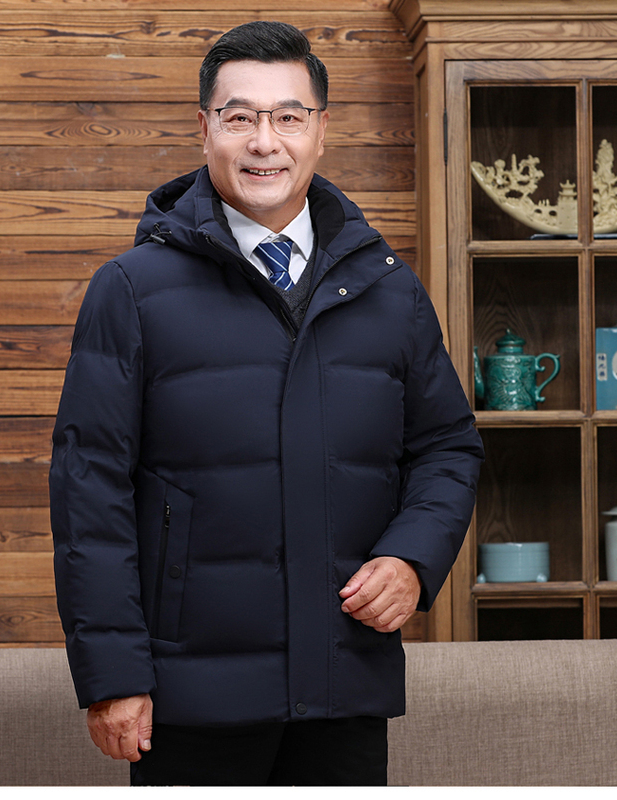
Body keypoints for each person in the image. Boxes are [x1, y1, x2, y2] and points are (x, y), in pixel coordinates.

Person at [50, 20, 483, 787]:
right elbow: (90, 493)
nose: (264, 142)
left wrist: (413, 557)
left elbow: (448, 447)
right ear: (204, 129)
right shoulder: (132, 292)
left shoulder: (389, 291)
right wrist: (113, 674)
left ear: (321, 131)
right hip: (189, 699)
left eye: (288, 116)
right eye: (239, 117)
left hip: (345, 684)